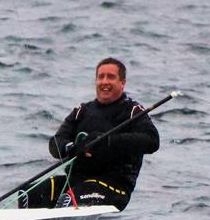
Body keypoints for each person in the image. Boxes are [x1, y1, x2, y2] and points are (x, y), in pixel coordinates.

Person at [20, 57, 159, 211]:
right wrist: (71, 148)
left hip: (114, 186)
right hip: (76, 181)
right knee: (28, 194)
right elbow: (55, 142)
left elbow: (152, 141)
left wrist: (107, 141)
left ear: (122, 83)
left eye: (111, 77)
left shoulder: (133, 111)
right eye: (101, 77)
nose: (105, 82)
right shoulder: (82, 111)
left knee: (69, 199)